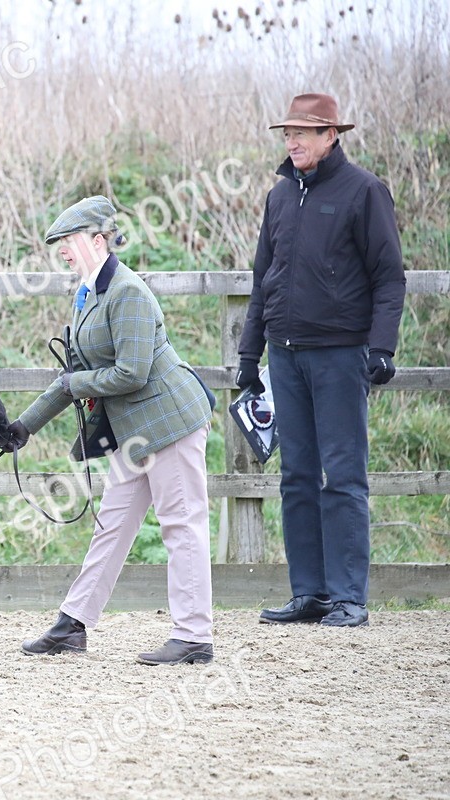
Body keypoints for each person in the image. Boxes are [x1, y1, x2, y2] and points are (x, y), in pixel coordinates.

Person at [7, 195, 216, 665]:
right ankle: (72, 625)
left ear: (98, 241)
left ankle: (195, 635)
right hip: (134, 433)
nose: (61, 250)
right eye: (59, 243)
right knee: (111, 526)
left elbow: (132, 373)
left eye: (69, 241)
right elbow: (74, 373)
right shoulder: (86, 293)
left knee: (181, 526)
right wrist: (22, 427)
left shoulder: (128, 293)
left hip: (170, 423)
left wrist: (74, 383)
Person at [237, 93, 405, 628]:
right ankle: (308, 593)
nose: (293, 141)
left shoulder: (365, 192)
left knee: (344, 475)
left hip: (339, 356)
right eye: (288, 133)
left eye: (304, 133)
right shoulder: (280, 196)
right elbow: (263, 280)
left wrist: (382, 348)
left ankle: (348, 596)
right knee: (296, 476)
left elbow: (389, 277)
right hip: (285, 358)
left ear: (332, 135)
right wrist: (249, 354)